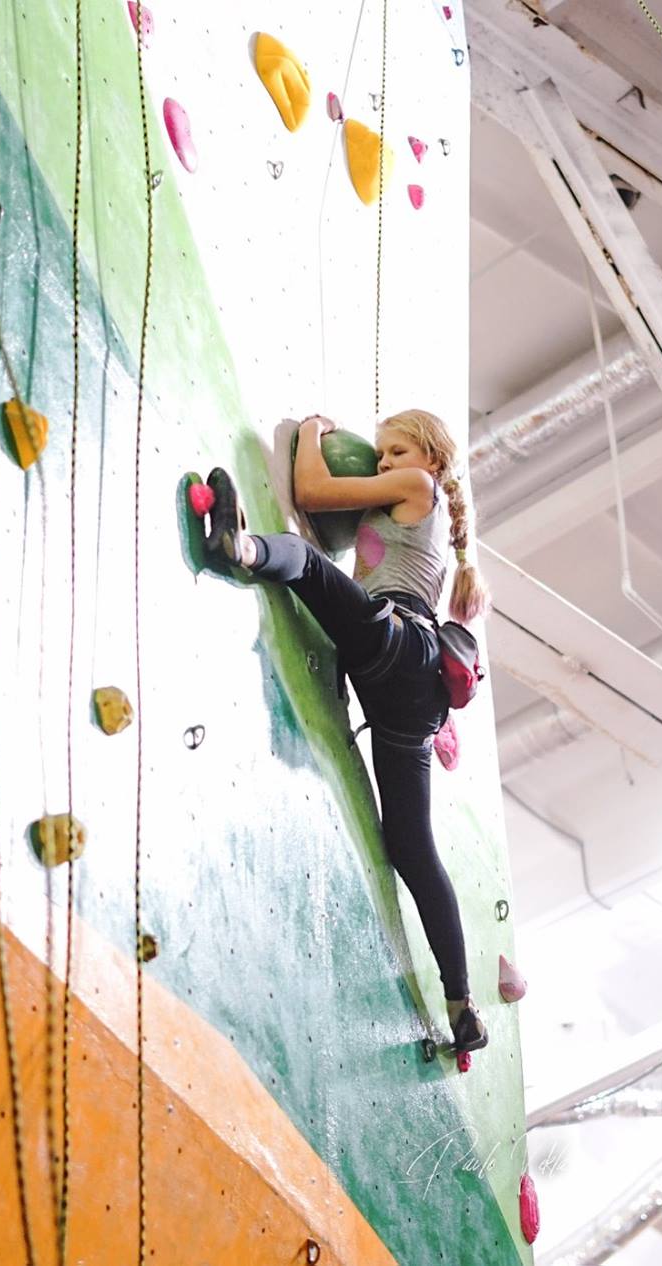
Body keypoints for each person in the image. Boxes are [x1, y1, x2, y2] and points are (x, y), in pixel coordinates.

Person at [198, 408, 491, 1054]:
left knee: (299, 557)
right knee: (410, 845)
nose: (382, 465)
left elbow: (312, 493)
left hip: (400, 647)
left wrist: (308, 434)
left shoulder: (421, 491)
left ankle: (240, 546)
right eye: (380, 456)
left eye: (393, 453)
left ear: (431, 463)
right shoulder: (420, 510)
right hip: (408, 700)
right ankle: (461, 1005)